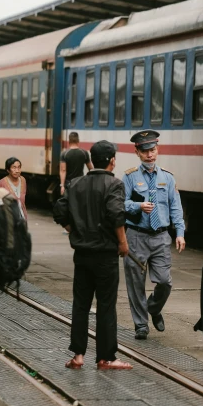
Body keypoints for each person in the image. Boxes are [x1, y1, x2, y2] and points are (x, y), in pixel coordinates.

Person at [53, 140, 132, 370]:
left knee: (81, 305)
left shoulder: (76, 183)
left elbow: (59, 209)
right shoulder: (114, 184)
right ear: (112, 161)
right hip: (105, 255)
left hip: (82, 254)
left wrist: (72, 229)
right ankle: (106, 357)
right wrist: (123, 243)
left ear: (92, 160)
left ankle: (78, 355)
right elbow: (116, 214)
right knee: (106, 305)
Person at [122, 130, 185, 340]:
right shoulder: (130, 177)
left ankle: (154, 308)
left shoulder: (167, 177)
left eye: (153, 150)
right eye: (145, 151)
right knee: (135, 283)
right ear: (137, 152)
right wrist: (138, 206)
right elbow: (120, 204)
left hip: (160, 236)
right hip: (136, 235)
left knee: (165, 282)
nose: (150, 155)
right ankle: (141, 325)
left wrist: (180, 233)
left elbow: (175, 207)